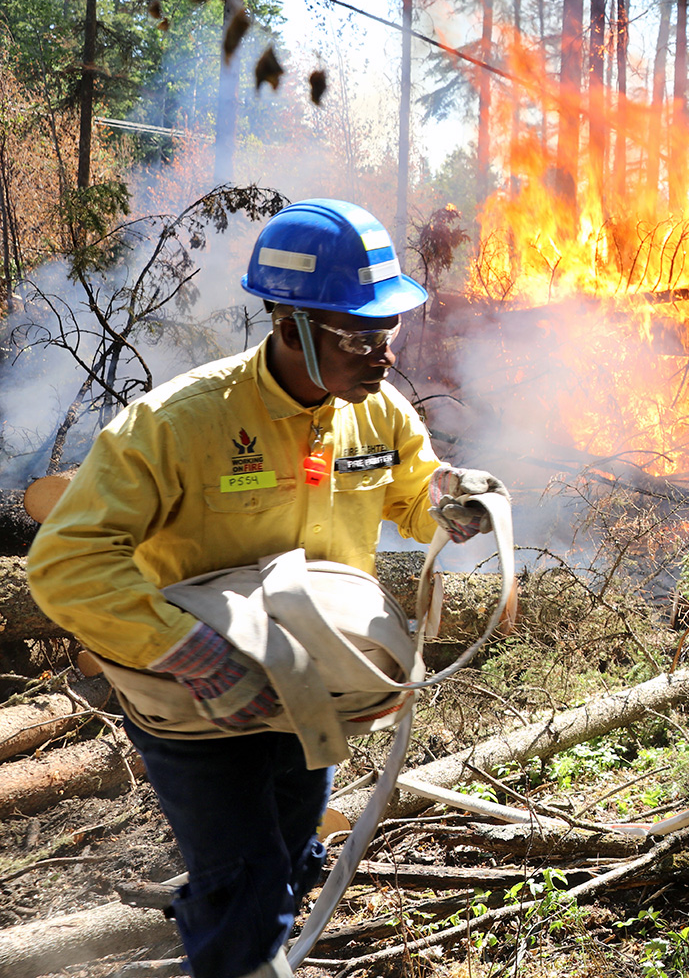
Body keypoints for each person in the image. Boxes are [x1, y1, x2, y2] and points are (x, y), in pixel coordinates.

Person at [27, 199, 507, 978]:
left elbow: (413, 494)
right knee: (252, 890)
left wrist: (448, 505)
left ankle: (217, 939)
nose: (383, 355)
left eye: (390, 333)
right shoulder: (178, 425)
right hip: (191, 695)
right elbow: (65, 561)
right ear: (288, 327)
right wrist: (188, 651)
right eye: (359, 336)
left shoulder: (374, 412)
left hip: (303, 679)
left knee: (287, 861)